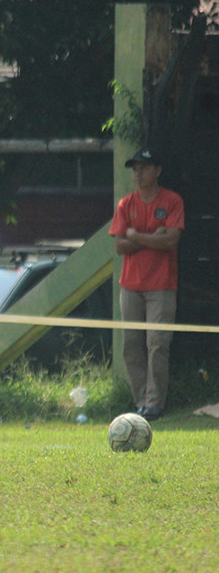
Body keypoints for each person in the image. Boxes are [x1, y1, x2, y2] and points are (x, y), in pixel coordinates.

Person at [109, 148, 183, 421]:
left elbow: (171, 241)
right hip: (130, 284)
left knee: (158, 343)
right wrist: (153, 237)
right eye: (135, 169)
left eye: (144, 168)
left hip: (162, 284)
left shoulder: (172, 201)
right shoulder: (125, 204)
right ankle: (140, 401)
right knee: (131, 344)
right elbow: (119, 245)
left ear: (157, 171)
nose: (138, 173)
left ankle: (155, 402)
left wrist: (136, 236)